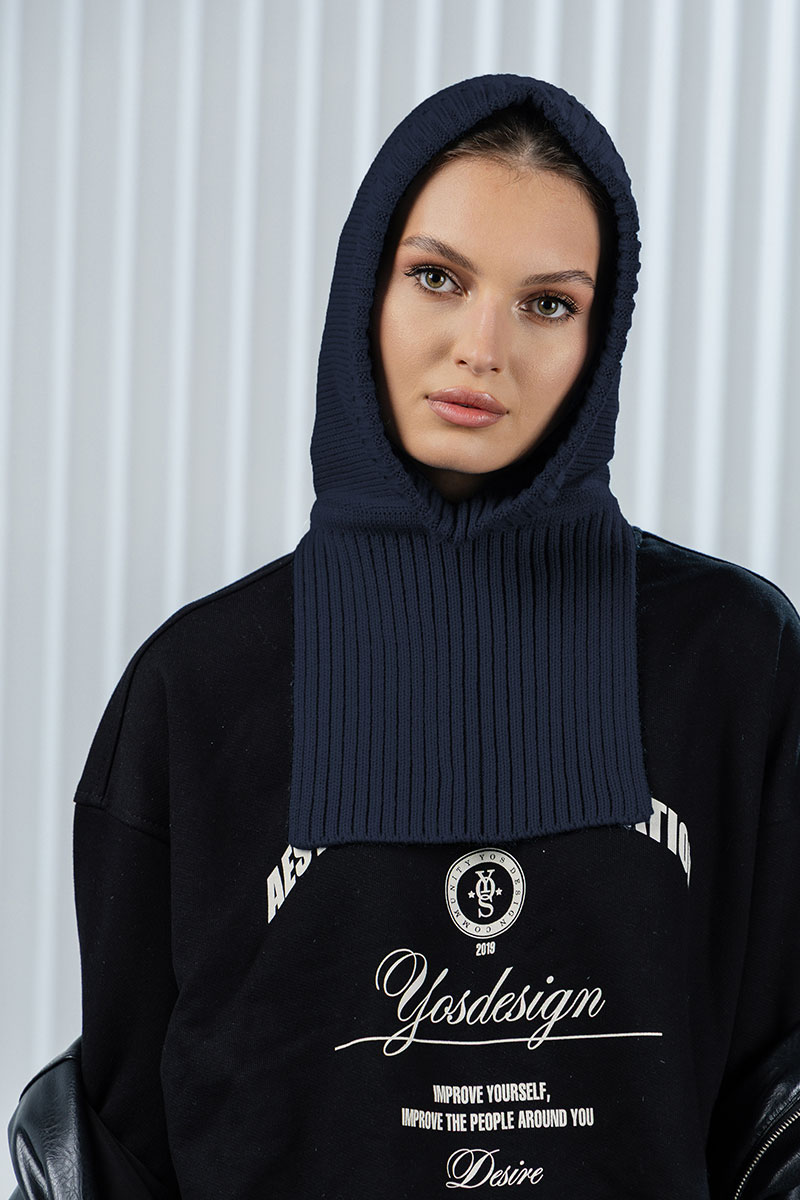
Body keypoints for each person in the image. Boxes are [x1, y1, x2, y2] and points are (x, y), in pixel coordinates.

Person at [56, 73, 800, 1198]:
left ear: (600, 337)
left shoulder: (732, 661)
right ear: (366, 286)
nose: (481, 347)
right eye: (437, 278)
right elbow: (122, 1142)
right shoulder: (195, 686)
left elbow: (776, 1106)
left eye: (547, 303)